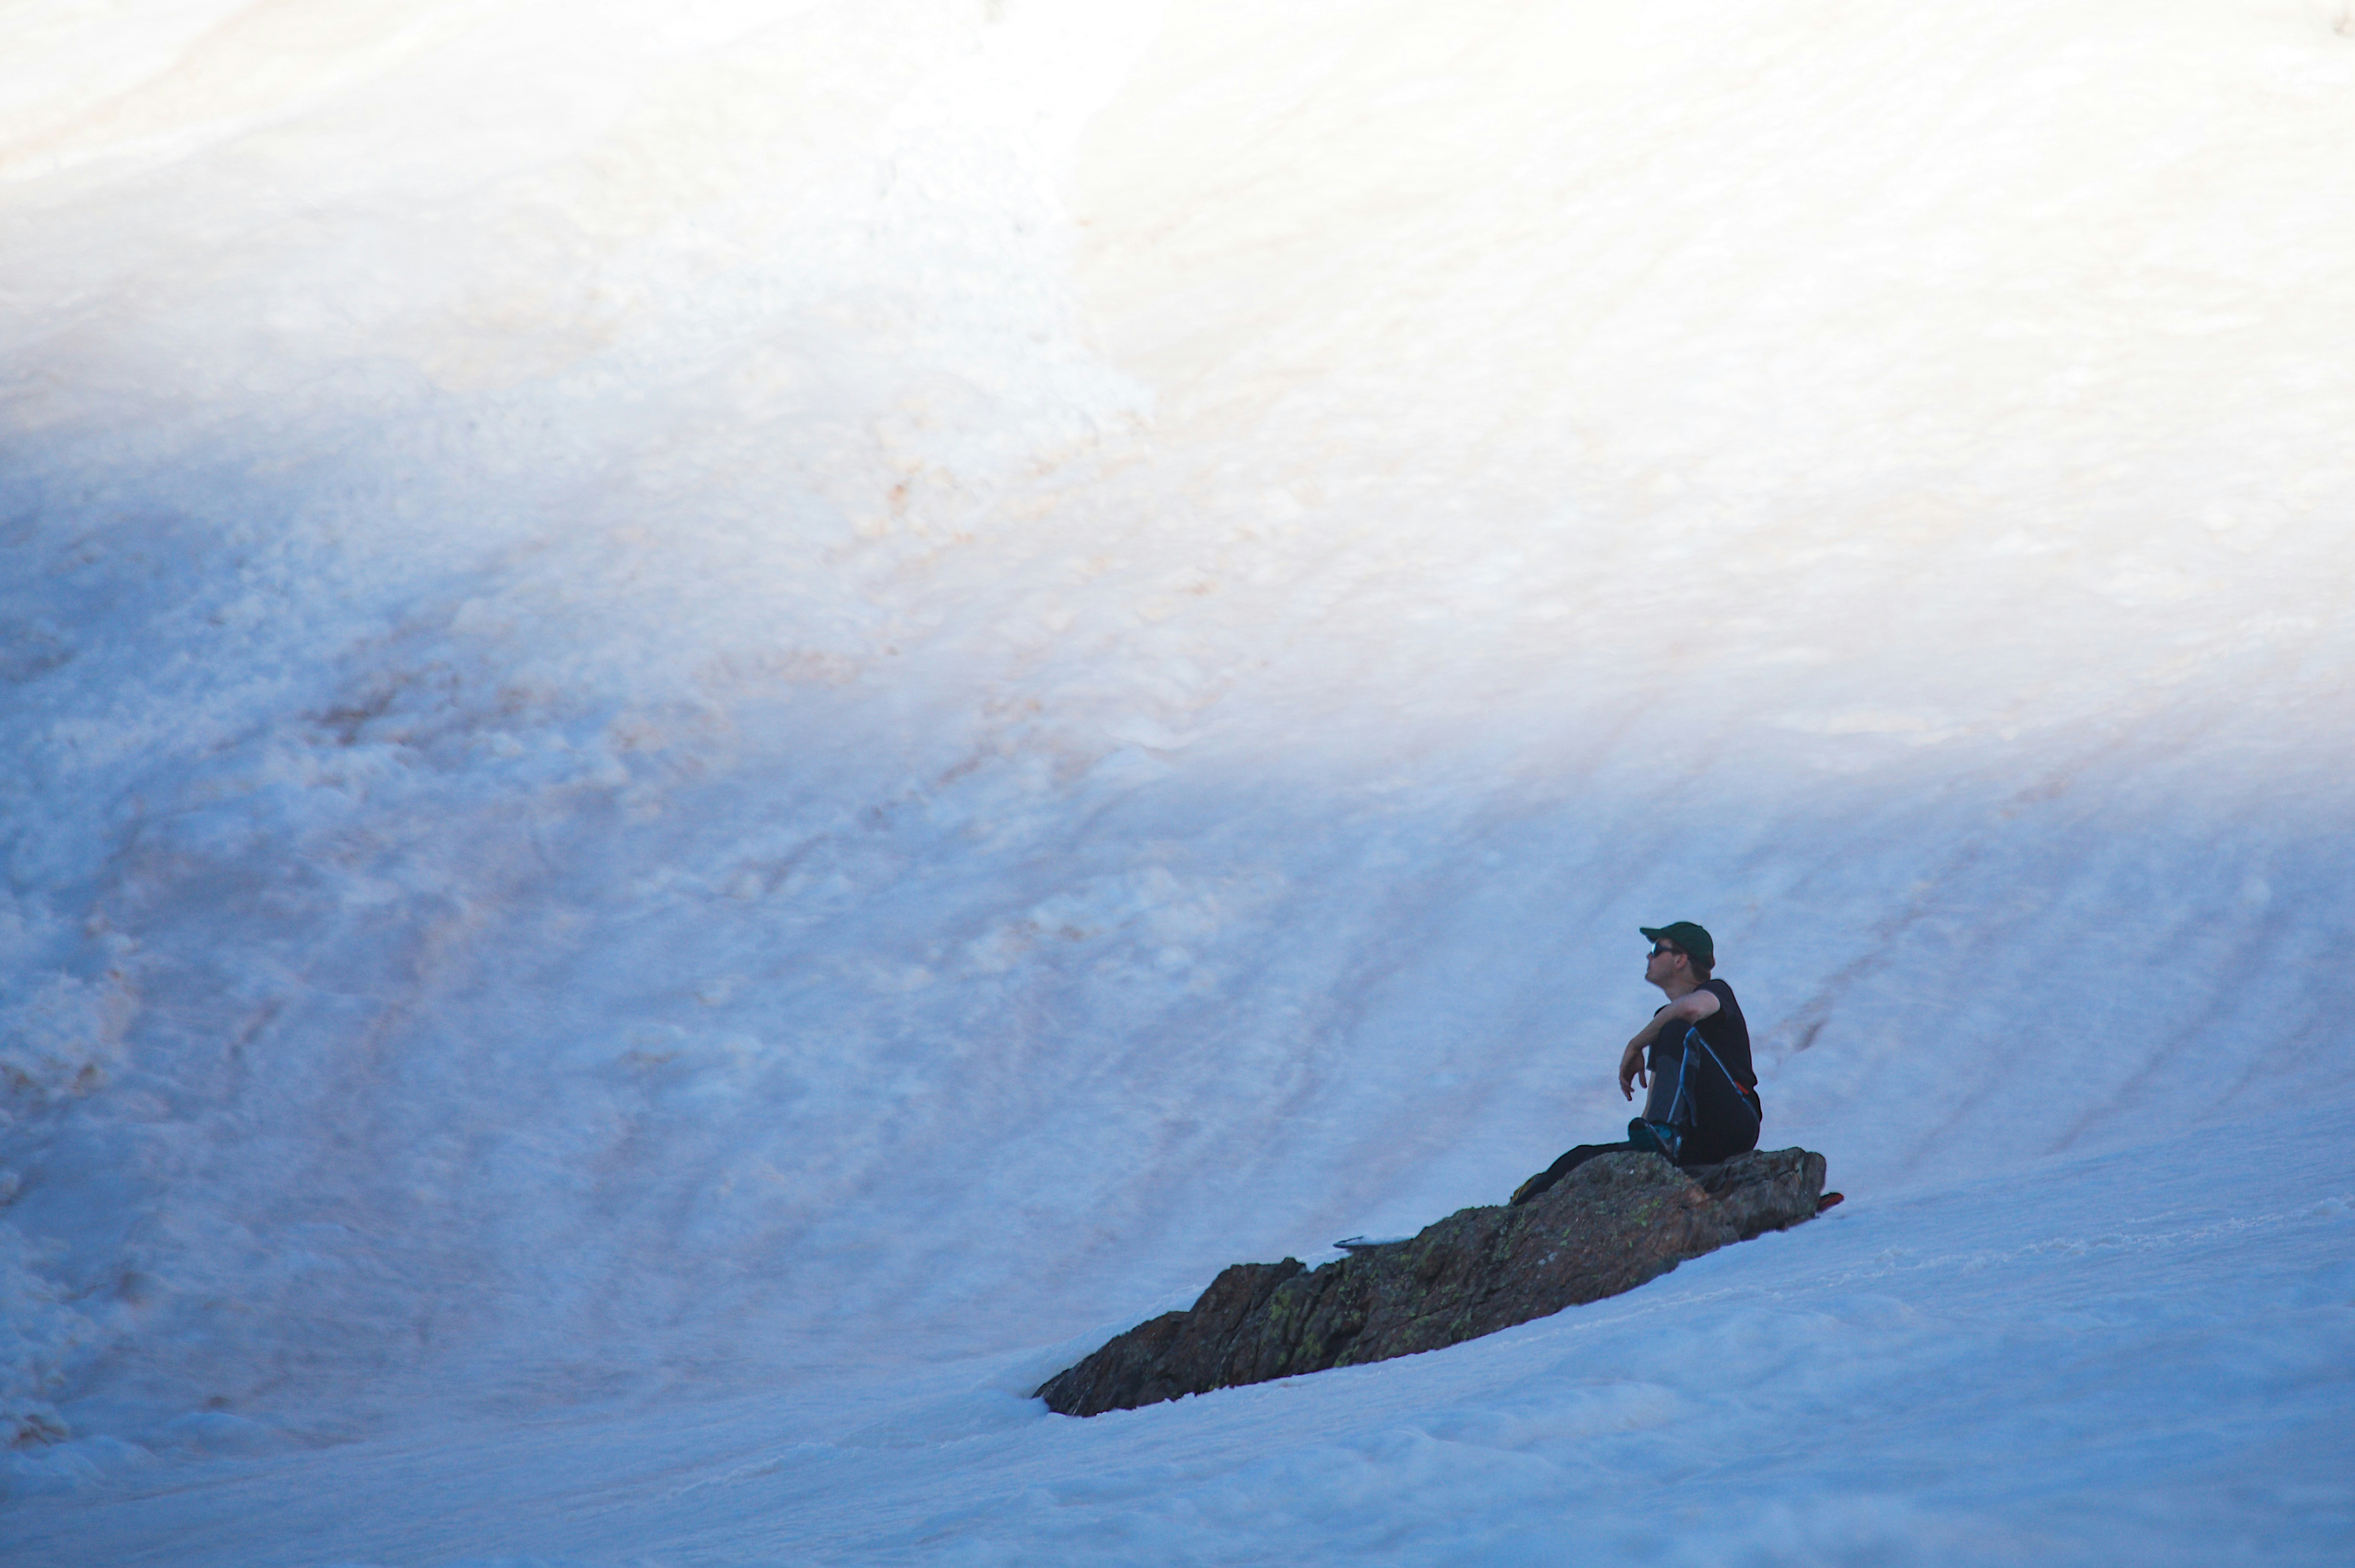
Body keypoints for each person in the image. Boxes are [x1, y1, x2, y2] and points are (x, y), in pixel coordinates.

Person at [1510, 921, 1761, 1205]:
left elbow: (1690, 1009)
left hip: (1735, 1121)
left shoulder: (1715, 991)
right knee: (1581, 1157)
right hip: (1691, 1138)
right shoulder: (1664, 1023)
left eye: (1657, 950)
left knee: (1676, 1027)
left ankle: (1665, 1137)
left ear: (1681, 959)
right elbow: (1659, 1097)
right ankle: (1517, 1213)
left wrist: (1636, 1044)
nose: (1649, 957)